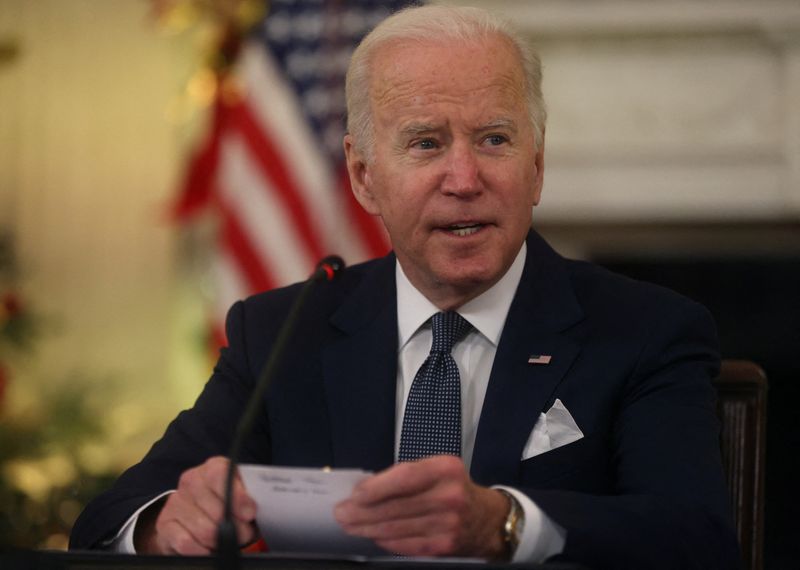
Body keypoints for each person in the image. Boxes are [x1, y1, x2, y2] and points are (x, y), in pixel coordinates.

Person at [70, 5, 740, 568]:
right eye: (425, 143)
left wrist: (506, 525)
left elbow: (697, 539)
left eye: (495, 139)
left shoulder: (645, 329)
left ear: (536, 168)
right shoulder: (282, 332)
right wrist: (166, 524)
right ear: (364, 178)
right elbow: (109, 520)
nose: (464, 177)